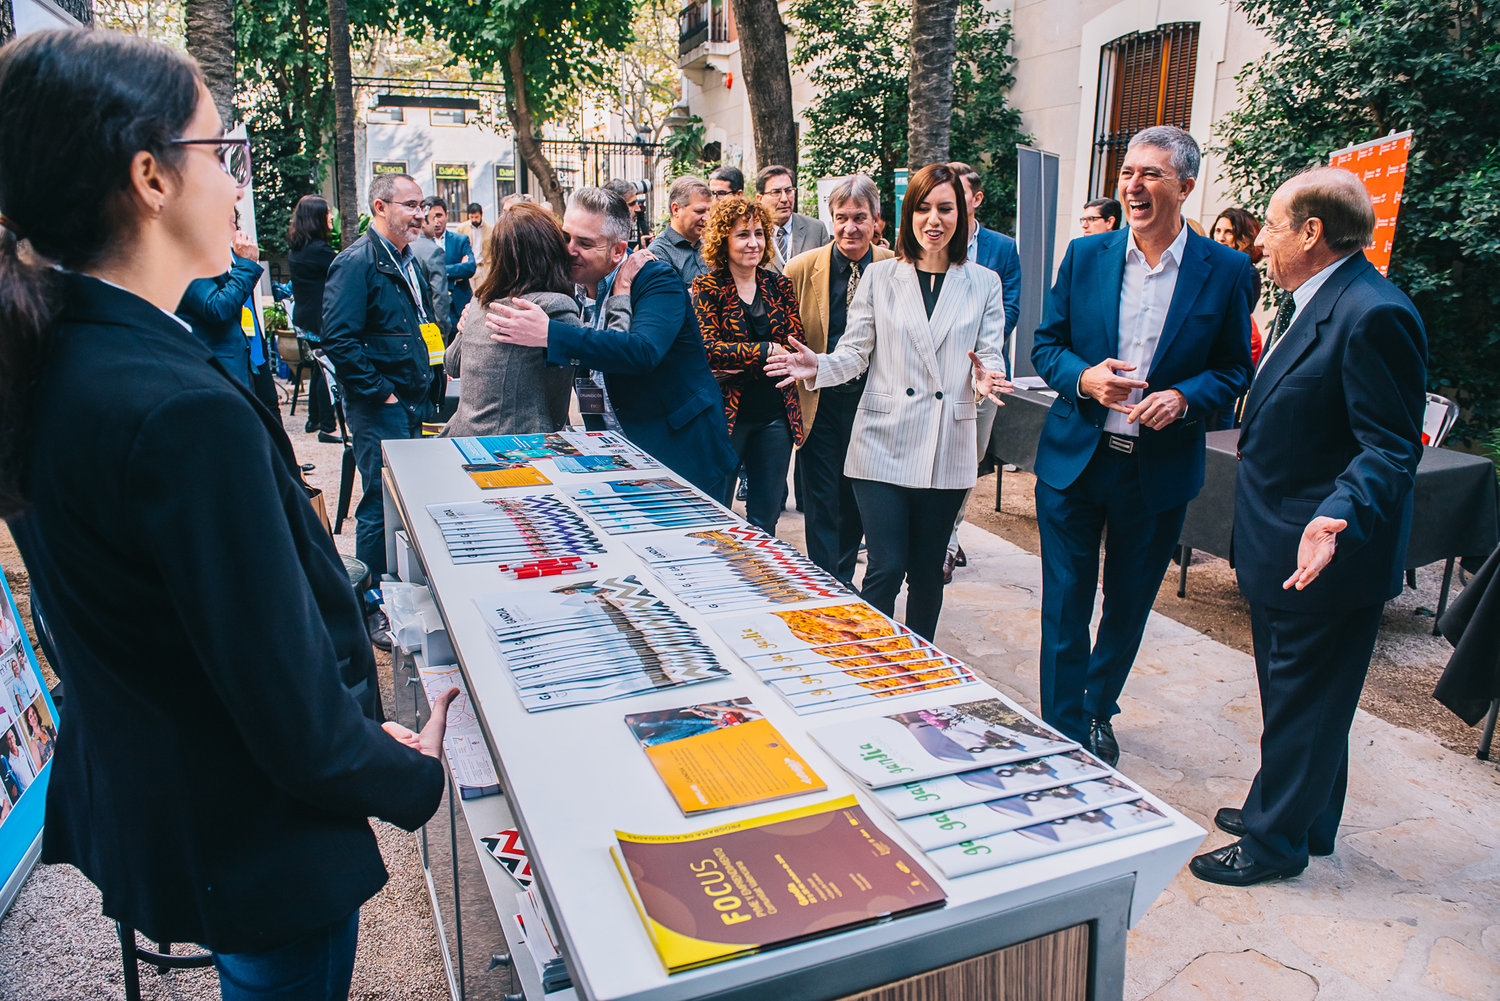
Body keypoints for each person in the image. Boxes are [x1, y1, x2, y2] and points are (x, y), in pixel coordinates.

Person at [0, 30, 455, 998]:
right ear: (149, 177)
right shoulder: (175, 411)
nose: (236, 181)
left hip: (168, 806)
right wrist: (407, 770)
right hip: (249, 833)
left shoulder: (61, 355)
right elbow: (284, 705)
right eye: (219, 152)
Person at [1190, 167, 1427, 887]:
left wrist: (1337, 514)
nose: (1261, 239)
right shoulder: (1321, 299)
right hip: (1284, 539)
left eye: (1271, 224)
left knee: (1301, 698)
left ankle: (1274, 840)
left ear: (1312, 233)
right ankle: (1306, 811)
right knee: (1306, 697)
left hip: (1322, 552)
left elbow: (1389, 445)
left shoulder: (1372, 312)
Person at [1030, 125, 1254, 765]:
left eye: (1151, 174)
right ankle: (1062, 725)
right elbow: (1048, 344)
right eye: (1127, 172)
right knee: (1066, 602)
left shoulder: (1227, 271)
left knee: (1126, 605)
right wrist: (1083, 378)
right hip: (1076, 460)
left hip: (1156, 472)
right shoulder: (1086, 255)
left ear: (1185, 187)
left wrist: (1184, 398)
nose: (1133, 185)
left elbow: (1236, 370)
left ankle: (1097, 709)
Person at [767, 164, 1010, 641]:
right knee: (885, 565)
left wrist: (985, 380)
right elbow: (856, 353)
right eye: (923, 208)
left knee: (925, 571)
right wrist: (818, 366)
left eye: (945, 208)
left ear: (961, 213)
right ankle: (868, 659)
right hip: (881, 441)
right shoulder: (881, 277)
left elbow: (990, 354)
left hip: (946, 443)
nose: (933, 220)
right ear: (906, 215)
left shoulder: (983, 282)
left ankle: (919, 661)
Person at [486, 188, 737, 497]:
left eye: (585, 243)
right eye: (566, 238)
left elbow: (643, 351)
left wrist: (549, 333)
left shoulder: (656, 279)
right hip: (613, 456)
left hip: (681, 454)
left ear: (618, 251)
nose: (569, 250)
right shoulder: (566, 285)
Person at [321, 171, 439, 591]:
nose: (420, 215)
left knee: (405, 498)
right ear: (380, 207)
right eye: (410, 205)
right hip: (381, 407)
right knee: (378, 501)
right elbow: (337, 339)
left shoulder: (411, 261)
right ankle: (370, 600)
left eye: (421, 205)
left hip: (413, 401)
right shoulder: (355, 262)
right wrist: (382, 393)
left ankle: (402, 589)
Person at [784, 173, 894, 582]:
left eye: (860, 218)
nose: (850, 227)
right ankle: (830, 581)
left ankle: (843, 572)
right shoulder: (801, 268)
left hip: (873, 402)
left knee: (857, 497)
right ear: (830, 218)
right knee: (821, 496)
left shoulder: (894, 268)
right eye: (842, 217)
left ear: (876, 220)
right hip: (819, 401)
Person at [691, 196, 807, 535]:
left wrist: (742, 360)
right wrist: (765, 350)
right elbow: (710, 350)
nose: (753, 243)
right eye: (743, 235)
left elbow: (794, 347)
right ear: (723, 240)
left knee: (765, 517)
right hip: (727, 416)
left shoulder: (780, 285)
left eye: (759, 233)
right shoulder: (708, 287)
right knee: (715, 509)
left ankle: (759, 580)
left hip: (775, 417)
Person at [945, 162, 1023, 582]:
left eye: (958, 195)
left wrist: (979, 352)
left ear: (975, 199)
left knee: (967, 460)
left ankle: (950, 538)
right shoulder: (930, 244)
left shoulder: (1002, 248)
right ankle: (934, 538)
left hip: (983, 372)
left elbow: (1009, 309)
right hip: (934, 374)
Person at [443, 202, 583, 436]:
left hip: (463, 438)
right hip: (520, 445)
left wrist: (465, 329)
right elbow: (584, 369)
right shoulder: (554, 306)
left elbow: (452, 364)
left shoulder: (481, 302)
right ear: (550, 248)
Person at [175, 228, 263, 391]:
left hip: (236, 359)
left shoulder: (219, 253)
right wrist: (247, 265)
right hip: (216, 368)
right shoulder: (187, 254)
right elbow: (218, 307)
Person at [286, 194, 339, 438]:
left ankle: (315, 420)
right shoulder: (319, 250)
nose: (331, 217)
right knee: (326, 369)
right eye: (327, 212)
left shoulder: (299, 248)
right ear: (317, 217)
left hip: (305, 318)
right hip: (319, 319)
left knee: (319, 369)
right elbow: (345, 268)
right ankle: (327, 426)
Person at [1212, 206, 1266, 366]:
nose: (1221, 237)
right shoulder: (1206, 265)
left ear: (1244, 237)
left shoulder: (1249, 273)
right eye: (1218, 230)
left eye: (1228, 232)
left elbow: (1236, 318)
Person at [755, 164, 830, 270]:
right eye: (776, 192)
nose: (784, 199)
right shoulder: (753, 233)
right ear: (759, 198)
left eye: (788, 191)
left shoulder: (816, 229)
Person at [647, 175, 712, 287]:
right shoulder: (659, 253)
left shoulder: (709, 247)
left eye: (709, 211)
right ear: (676, 209)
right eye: (699, 211)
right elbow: (673, 298)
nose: (707, 218)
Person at [425, 197, 475, 330]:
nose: (436, 221)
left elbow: (470, 268)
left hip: (459, 307)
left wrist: (437, 272)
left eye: (439, 215)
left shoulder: (460, 240)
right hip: (433, 309)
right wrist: (455, 274)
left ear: (447, 215)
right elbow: (423, 273)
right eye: (432, 217)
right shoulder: (421, 245)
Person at [414, 198, 454, 338]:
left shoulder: (405, 246)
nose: (436, 223)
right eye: (433, 218)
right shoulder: (432, 251)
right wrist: (443, 327)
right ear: (424, 221)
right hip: (430, 324)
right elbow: (439, 294)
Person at [460, 201, 493, 291]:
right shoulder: (462, 228)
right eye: (471, 217)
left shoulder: (490, 229)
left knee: (483, 293)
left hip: (483, 267)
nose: (474, 220)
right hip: (468, 266)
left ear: (481, 215)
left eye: (476, 217)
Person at [24, 702, 55, 770]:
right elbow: (39, 768)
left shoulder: (45, 728)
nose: (33, 717)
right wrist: (51, 757)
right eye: (30, 716)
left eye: (33, 713)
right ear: (29, 722)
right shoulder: (33, 742)